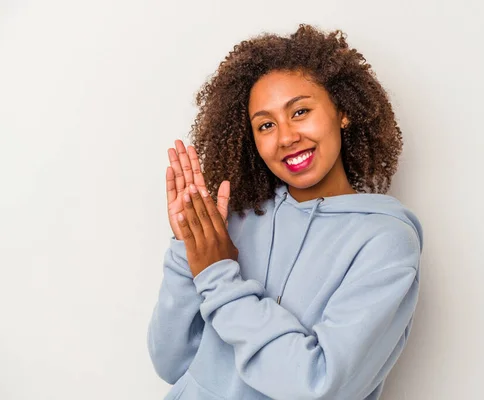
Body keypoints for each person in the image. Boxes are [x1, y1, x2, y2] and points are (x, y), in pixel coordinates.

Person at [147, 24, 424, 400]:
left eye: (300, 111)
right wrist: (189, 249)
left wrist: (219, 277)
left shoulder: (386, 243)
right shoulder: (237, 219)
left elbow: (319, 386)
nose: (286, 137)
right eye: (266, 125)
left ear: (342, 111)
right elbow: (172, 363)